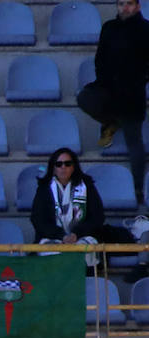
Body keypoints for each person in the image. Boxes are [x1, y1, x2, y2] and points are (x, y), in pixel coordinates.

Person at [77, 0, 149, 206]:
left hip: (132, 94)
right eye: (121, 4)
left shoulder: (145, 29)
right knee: (84, 98)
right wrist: (104, 81)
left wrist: (140, 80)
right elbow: (100, 59)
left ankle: (137, 188)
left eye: (129, 4)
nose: (124, 8)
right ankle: (110, 121)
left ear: (137, 7)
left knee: (134, 143)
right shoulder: (109, 28)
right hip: (107, 89)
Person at [30, 148, 136, 265]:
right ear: (53, 168)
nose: (63, 167)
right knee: (52, 252)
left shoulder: (87, 186)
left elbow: (97, 217)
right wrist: (61, 236)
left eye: (68, 164)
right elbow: (38, 219)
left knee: (85, 251)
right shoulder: (44, 189)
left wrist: (76, 234)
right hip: (53, 237)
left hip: (82, 236)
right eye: (59, 164)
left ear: (74, 166)